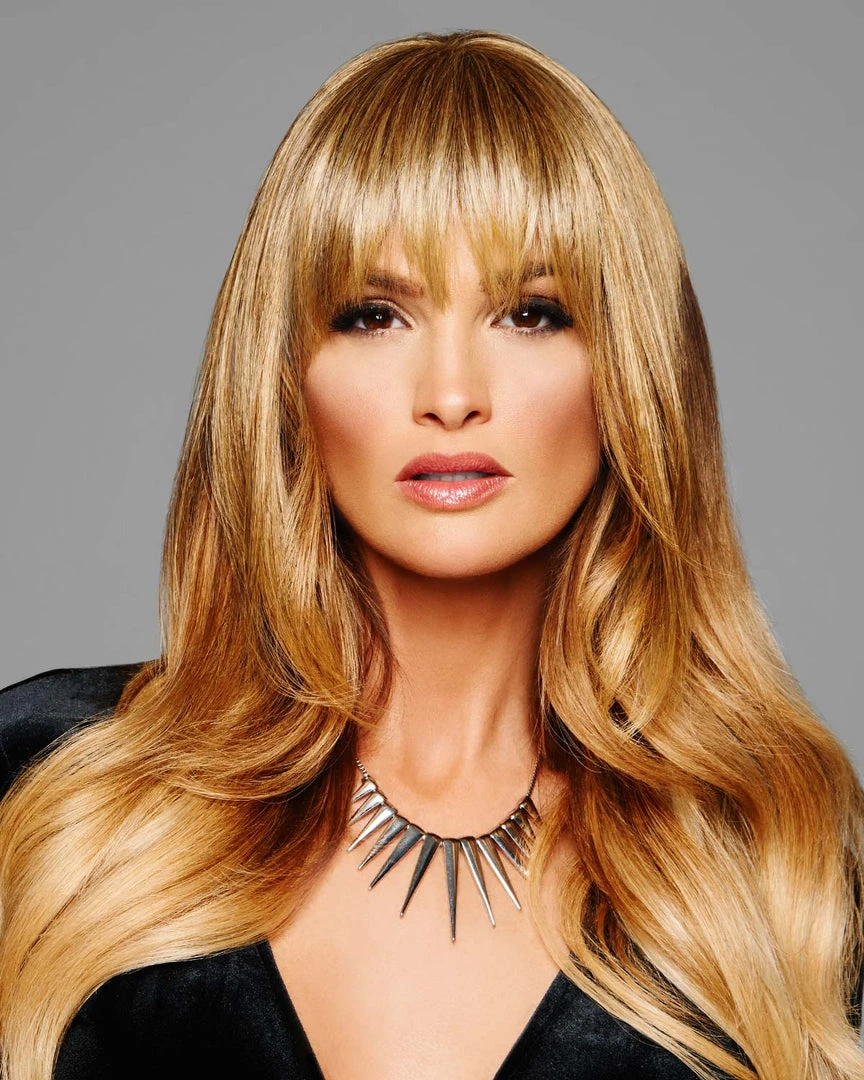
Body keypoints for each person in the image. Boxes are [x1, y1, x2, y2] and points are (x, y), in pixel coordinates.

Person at [0, 27, 862, 1080]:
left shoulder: (777, 859)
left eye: (532, 313)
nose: (451, 394)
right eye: (374, 315)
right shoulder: (54, 786)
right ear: (284, 375)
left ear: (629, 370)